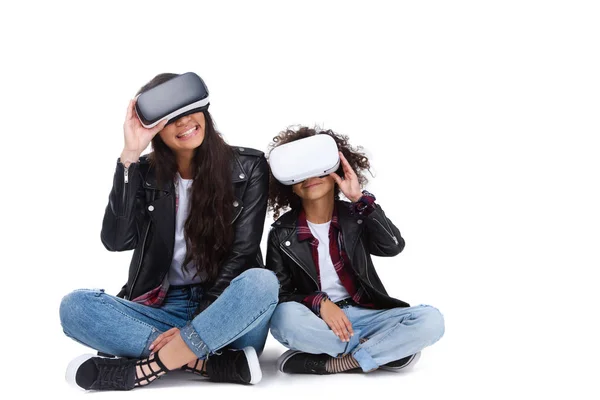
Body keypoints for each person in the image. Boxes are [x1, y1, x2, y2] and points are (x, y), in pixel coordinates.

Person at [59, 73, 278, 390]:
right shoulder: (145, 173)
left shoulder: (250, 166)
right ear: (156, 129)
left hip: (225, 309)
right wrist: (129, 156)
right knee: (75, 307)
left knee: (262, 281)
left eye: (189, 110)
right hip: (163, 307)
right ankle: (207, 363)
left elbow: (242, 253)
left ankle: (142, 369)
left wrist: (201, 321)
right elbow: (116, 240)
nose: (184, 123)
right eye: (170, 118)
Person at [266, 127, 445, 375]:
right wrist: (320, 303)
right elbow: (280, 294)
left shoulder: (356, 216)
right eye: (299, 174)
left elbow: (393, 246)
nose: (309, 177)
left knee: (431, 320)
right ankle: (382, 353)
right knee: (283, 318)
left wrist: (360, 200)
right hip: (317, 320)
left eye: (319, 167)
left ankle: (337, 362)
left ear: (336, 171)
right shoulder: (281, 233)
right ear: (290, 186)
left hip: (367, 315)